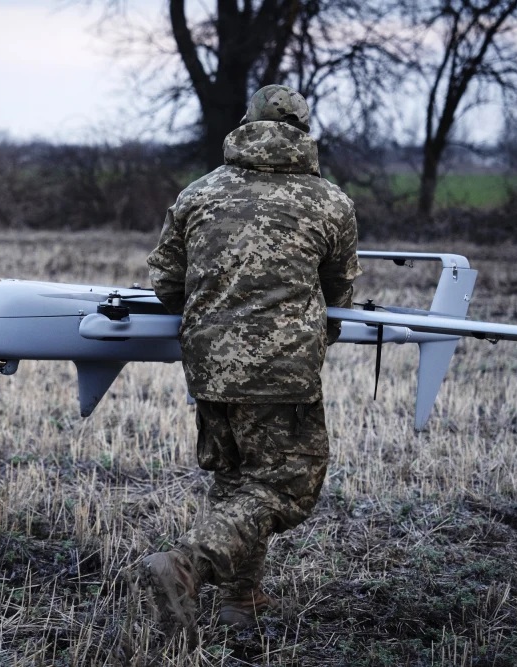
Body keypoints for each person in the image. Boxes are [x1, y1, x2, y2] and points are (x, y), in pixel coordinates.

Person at [141, 85, 361, 632]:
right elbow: (340, 294)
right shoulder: (329, 201)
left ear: (246, 124)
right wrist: (307, 338)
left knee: (238, 482)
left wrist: (213, 327)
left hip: (209, 367)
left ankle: (243, 602)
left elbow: (166, 283)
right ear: (304, 134)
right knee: (287, 482)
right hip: (283, 371)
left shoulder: (198, 194)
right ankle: (189, 565)